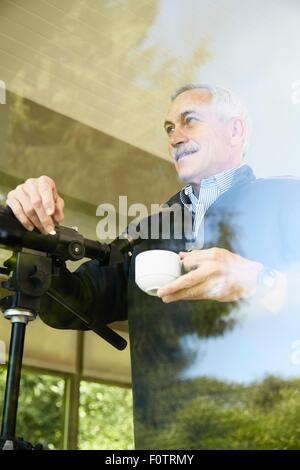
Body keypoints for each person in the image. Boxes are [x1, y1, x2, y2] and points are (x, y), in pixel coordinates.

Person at [5, 84, 300, 449]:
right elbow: (76, 304)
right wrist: (37, 233)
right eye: (168, 128)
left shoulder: (290, 200)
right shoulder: (148, 228)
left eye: (189, 121)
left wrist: (260, 281)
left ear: (236, 130)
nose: (175, 137)